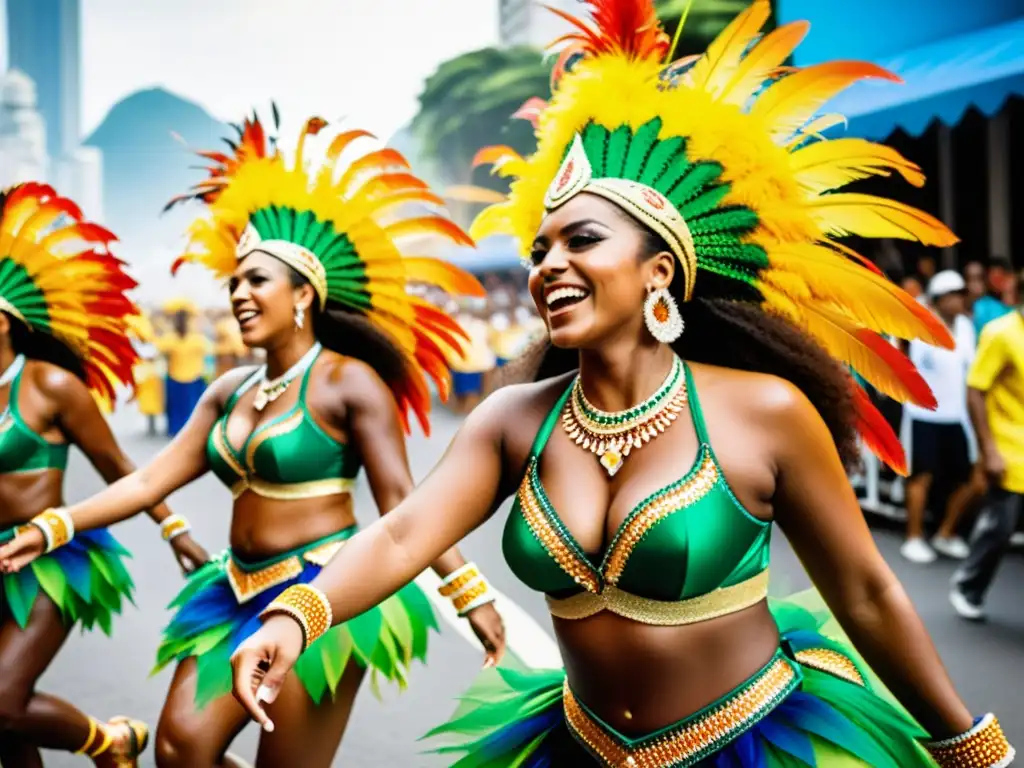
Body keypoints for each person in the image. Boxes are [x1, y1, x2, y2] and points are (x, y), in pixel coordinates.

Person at [223, 2, 1014, 766]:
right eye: (539, 251)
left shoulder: (764, 412)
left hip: (753, 742)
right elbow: (402, 534)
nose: (549, 265)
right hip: (582, 746)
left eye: (583, 240)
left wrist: (967, 744)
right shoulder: (512, 421)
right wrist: (299, 615)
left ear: (658, 271)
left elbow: (866, 591)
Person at [0, 113, 506, 768]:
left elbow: (403, 507)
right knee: (179, 752)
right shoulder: (229, 389)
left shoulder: (348, 383)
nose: (239, 293)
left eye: (256, 280)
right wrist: (54, 527)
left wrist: (468, 592)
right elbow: (148, 479)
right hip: (231, 592)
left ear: (303, 295)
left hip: (320, 595)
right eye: (234, 282)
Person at [0, 182, 208, 767]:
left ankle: (110, 741)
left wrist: (174, 529)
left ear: (5, 320)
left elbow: (120, 468)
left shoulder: (50, 386)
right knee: (6, 718)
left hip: (49, 562)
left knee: (1, 700)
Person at [950, 269, 1024, 621]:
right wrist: (989, 450)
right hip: (1010, 448)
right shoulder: (1001, 333)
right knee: (1000, 527)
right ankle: (968, 585)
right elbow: (975, 390)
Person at [900, 271, 980, 563]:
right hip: (922, 415)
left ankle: (945, 533)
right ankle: (913, 538)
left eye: (961, 294)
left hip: (957, 416)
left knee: (972, 479)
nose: (959, 300)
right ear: (939, 299)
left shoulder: (966, 327)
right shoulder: (921, 324)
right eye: (952, 295)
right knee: (921, 478)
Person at [156, 303, 211, 437]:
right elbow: (209, 350)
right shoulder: (197, 339)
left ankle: (175, 431)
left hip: (174, 376)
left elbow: (159, 350)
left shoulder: (169, 338)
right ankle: (191, 432)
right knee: (192, 407)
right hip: (194, 377)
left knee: (175, 408)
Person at [971, 256, 1014, 335]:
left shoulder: (1016, 306)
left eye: (1001, 277)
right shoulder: (981, 307)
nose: (997, 282)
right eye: (994, 278)